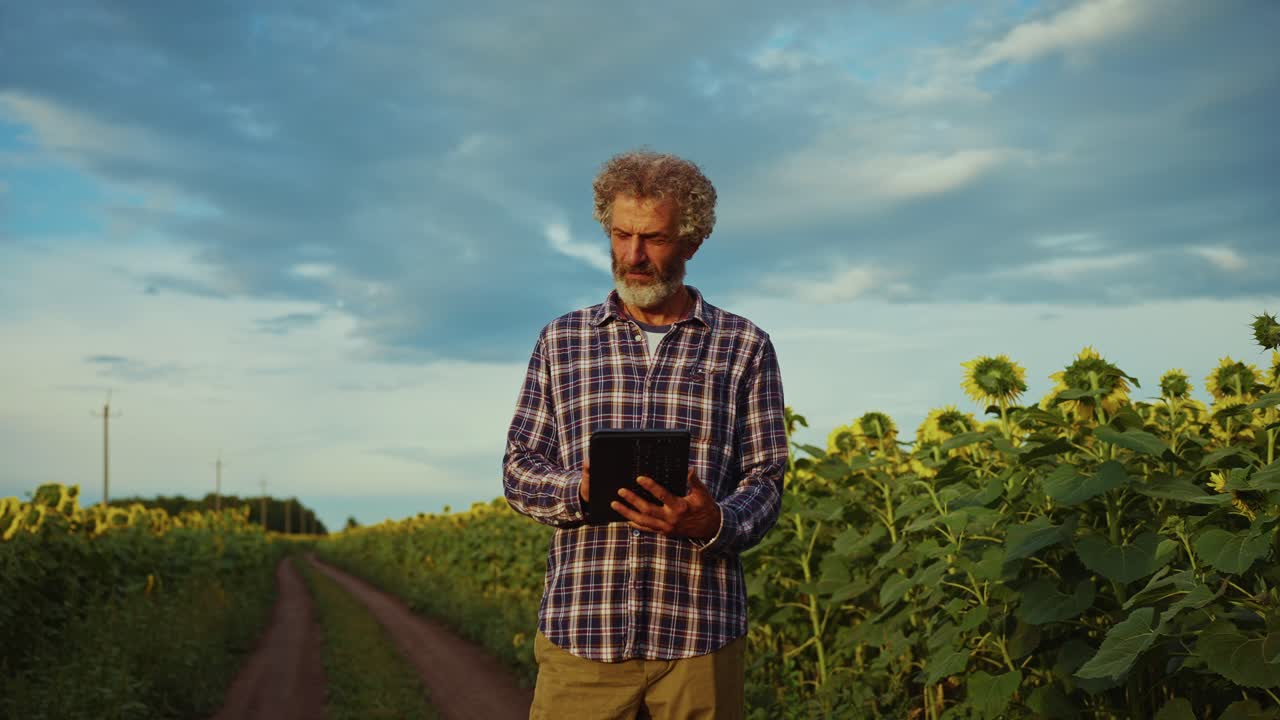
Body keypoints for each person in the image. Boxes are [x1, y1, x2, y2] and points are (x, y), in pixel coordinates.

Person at [502, 149, 787, 719]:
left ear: (691, 241)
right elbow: (518, 467)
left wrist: (715, 522)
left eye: (654, 238)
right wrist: (577, 491)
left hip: (700, 636)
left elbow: (768, 476)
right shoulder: (561, 341)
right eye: (622, 234)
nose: (633, 255)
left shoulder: (744, 346)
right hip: (584, 631)